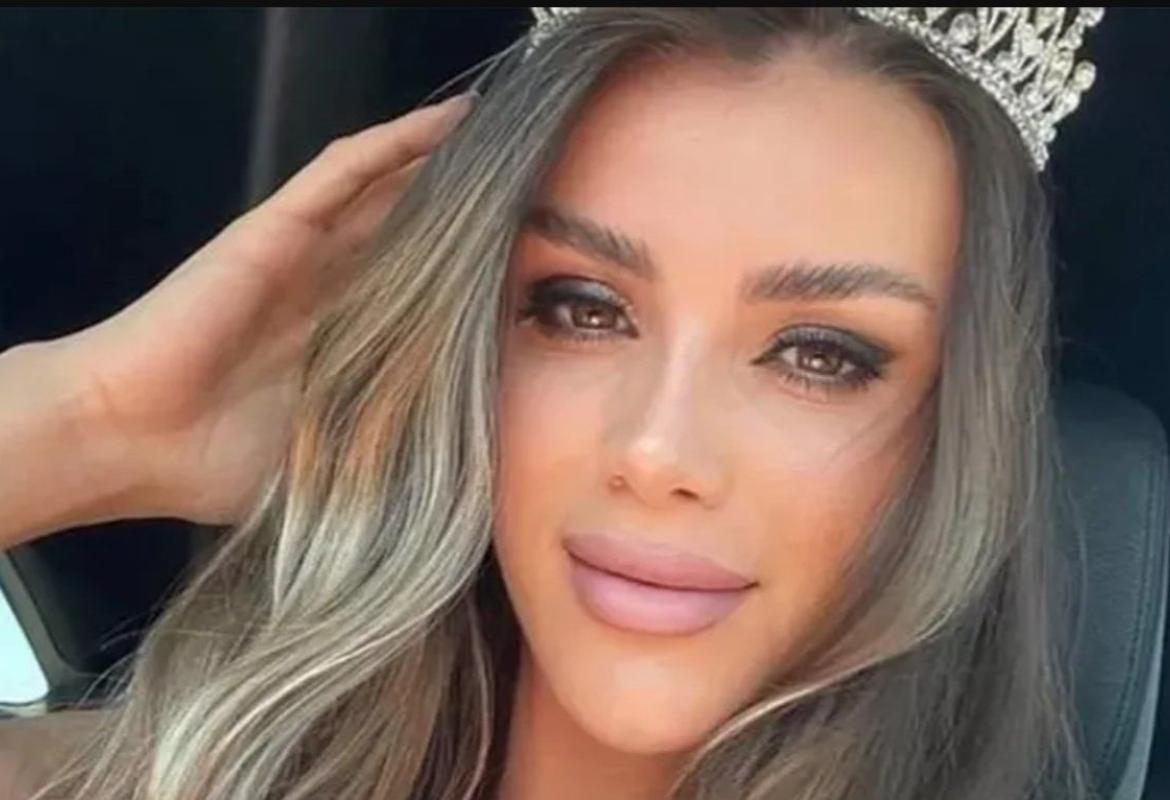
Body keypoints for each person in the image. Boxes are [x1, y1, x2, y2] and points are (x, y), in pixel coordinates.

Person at [0, 8, 1104, 800]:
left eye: (821, 355)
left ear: (958, 431)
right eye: (583, 309)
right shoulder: (175, 772)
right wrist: (96, 426)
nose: (657, 449)